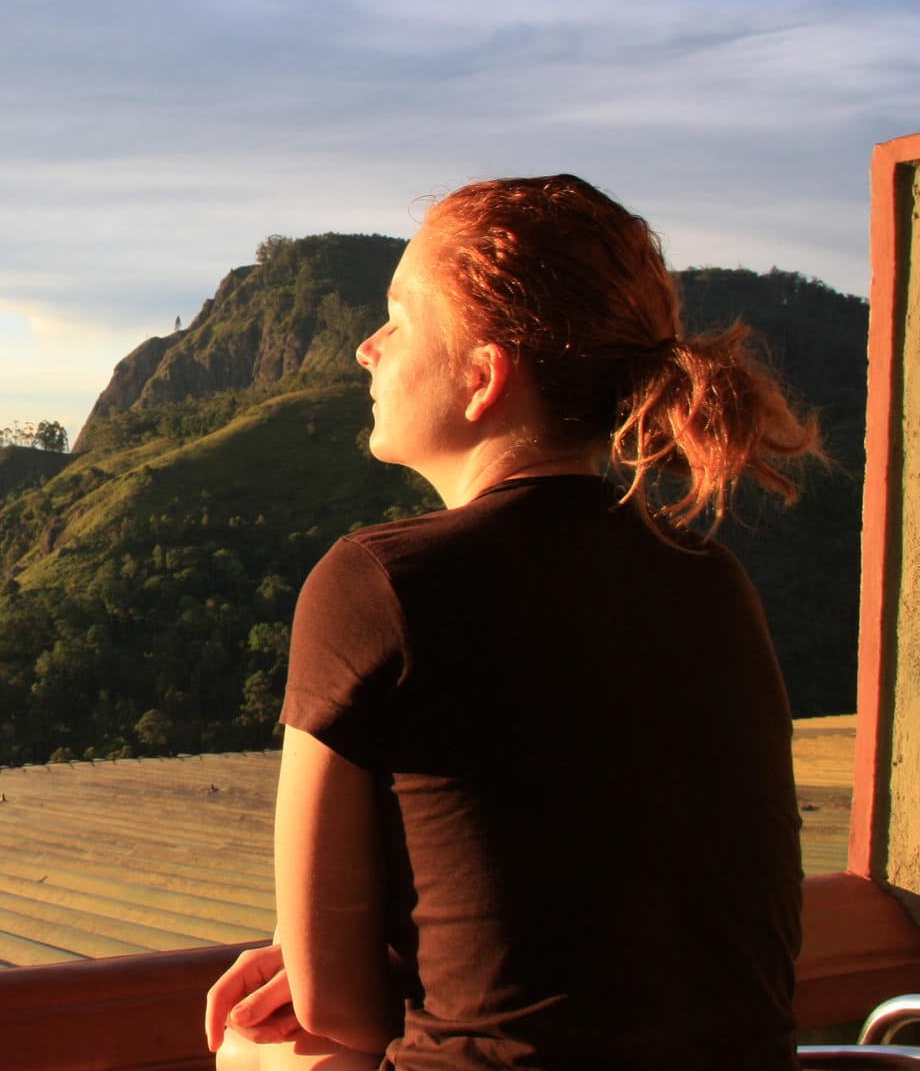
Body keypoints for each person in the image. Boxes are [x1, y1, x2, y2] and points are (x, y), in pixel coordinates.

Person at [203, 175, 819, 1069]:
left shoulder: (375, 582)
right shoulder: (709, 575)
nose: (367, 350)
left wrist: (321, 972)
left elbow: (334, 1003)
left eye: (398, 320)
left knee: (259, 1048)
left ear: (485, 377)